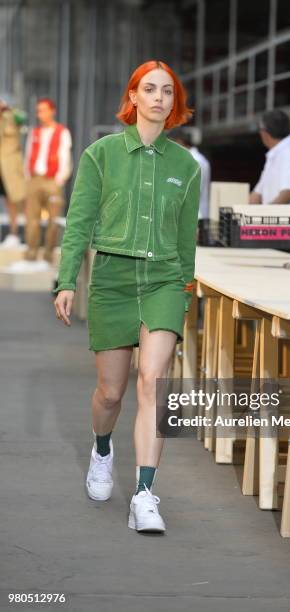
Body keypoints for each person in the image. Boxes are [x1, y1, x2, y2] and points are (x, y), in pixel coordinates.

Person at [53, 60, 201, 534]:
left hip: (162, 280)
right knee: (111, 392)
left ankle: (144, 494)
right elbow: (78, 223)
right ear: (133, 97)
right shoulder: (100, 155)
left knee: (153, 382)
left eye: (167, 91)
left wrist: (185, 287)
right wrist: (66, 280)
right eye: (150, 89)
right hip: (113, 279)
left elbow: (185, 236)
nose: (159, 98)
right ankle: (101, 449)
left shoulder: (186, 166)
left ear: (174, 103)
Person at [24, 98, 72, 263]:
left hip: (52, 180)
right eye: (38, 111)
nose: (40, 114)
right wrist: (28, 177)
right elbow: (28, 154)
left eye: (43, 110)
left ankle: (48, 255)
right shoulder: (35, 132)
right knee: (32, 219)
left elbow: (65, 157)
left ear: (52, 111)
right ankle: (31, 254)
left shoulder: (62, 132)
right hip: (35, 179)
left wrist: (60, 179)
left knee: (53, 220)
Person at [249, 109, 290, 207]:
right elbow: (256, 195)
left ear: (264, 133)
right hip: (277, 220)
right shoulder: (276, 154)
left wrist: (266, 212)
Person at [0, 95, 26, 248]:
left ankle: (14, 233)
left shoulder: (12, 115)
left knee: (12, 200)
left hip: (9, 166)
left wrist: (7, 109)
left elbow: (21, 117)